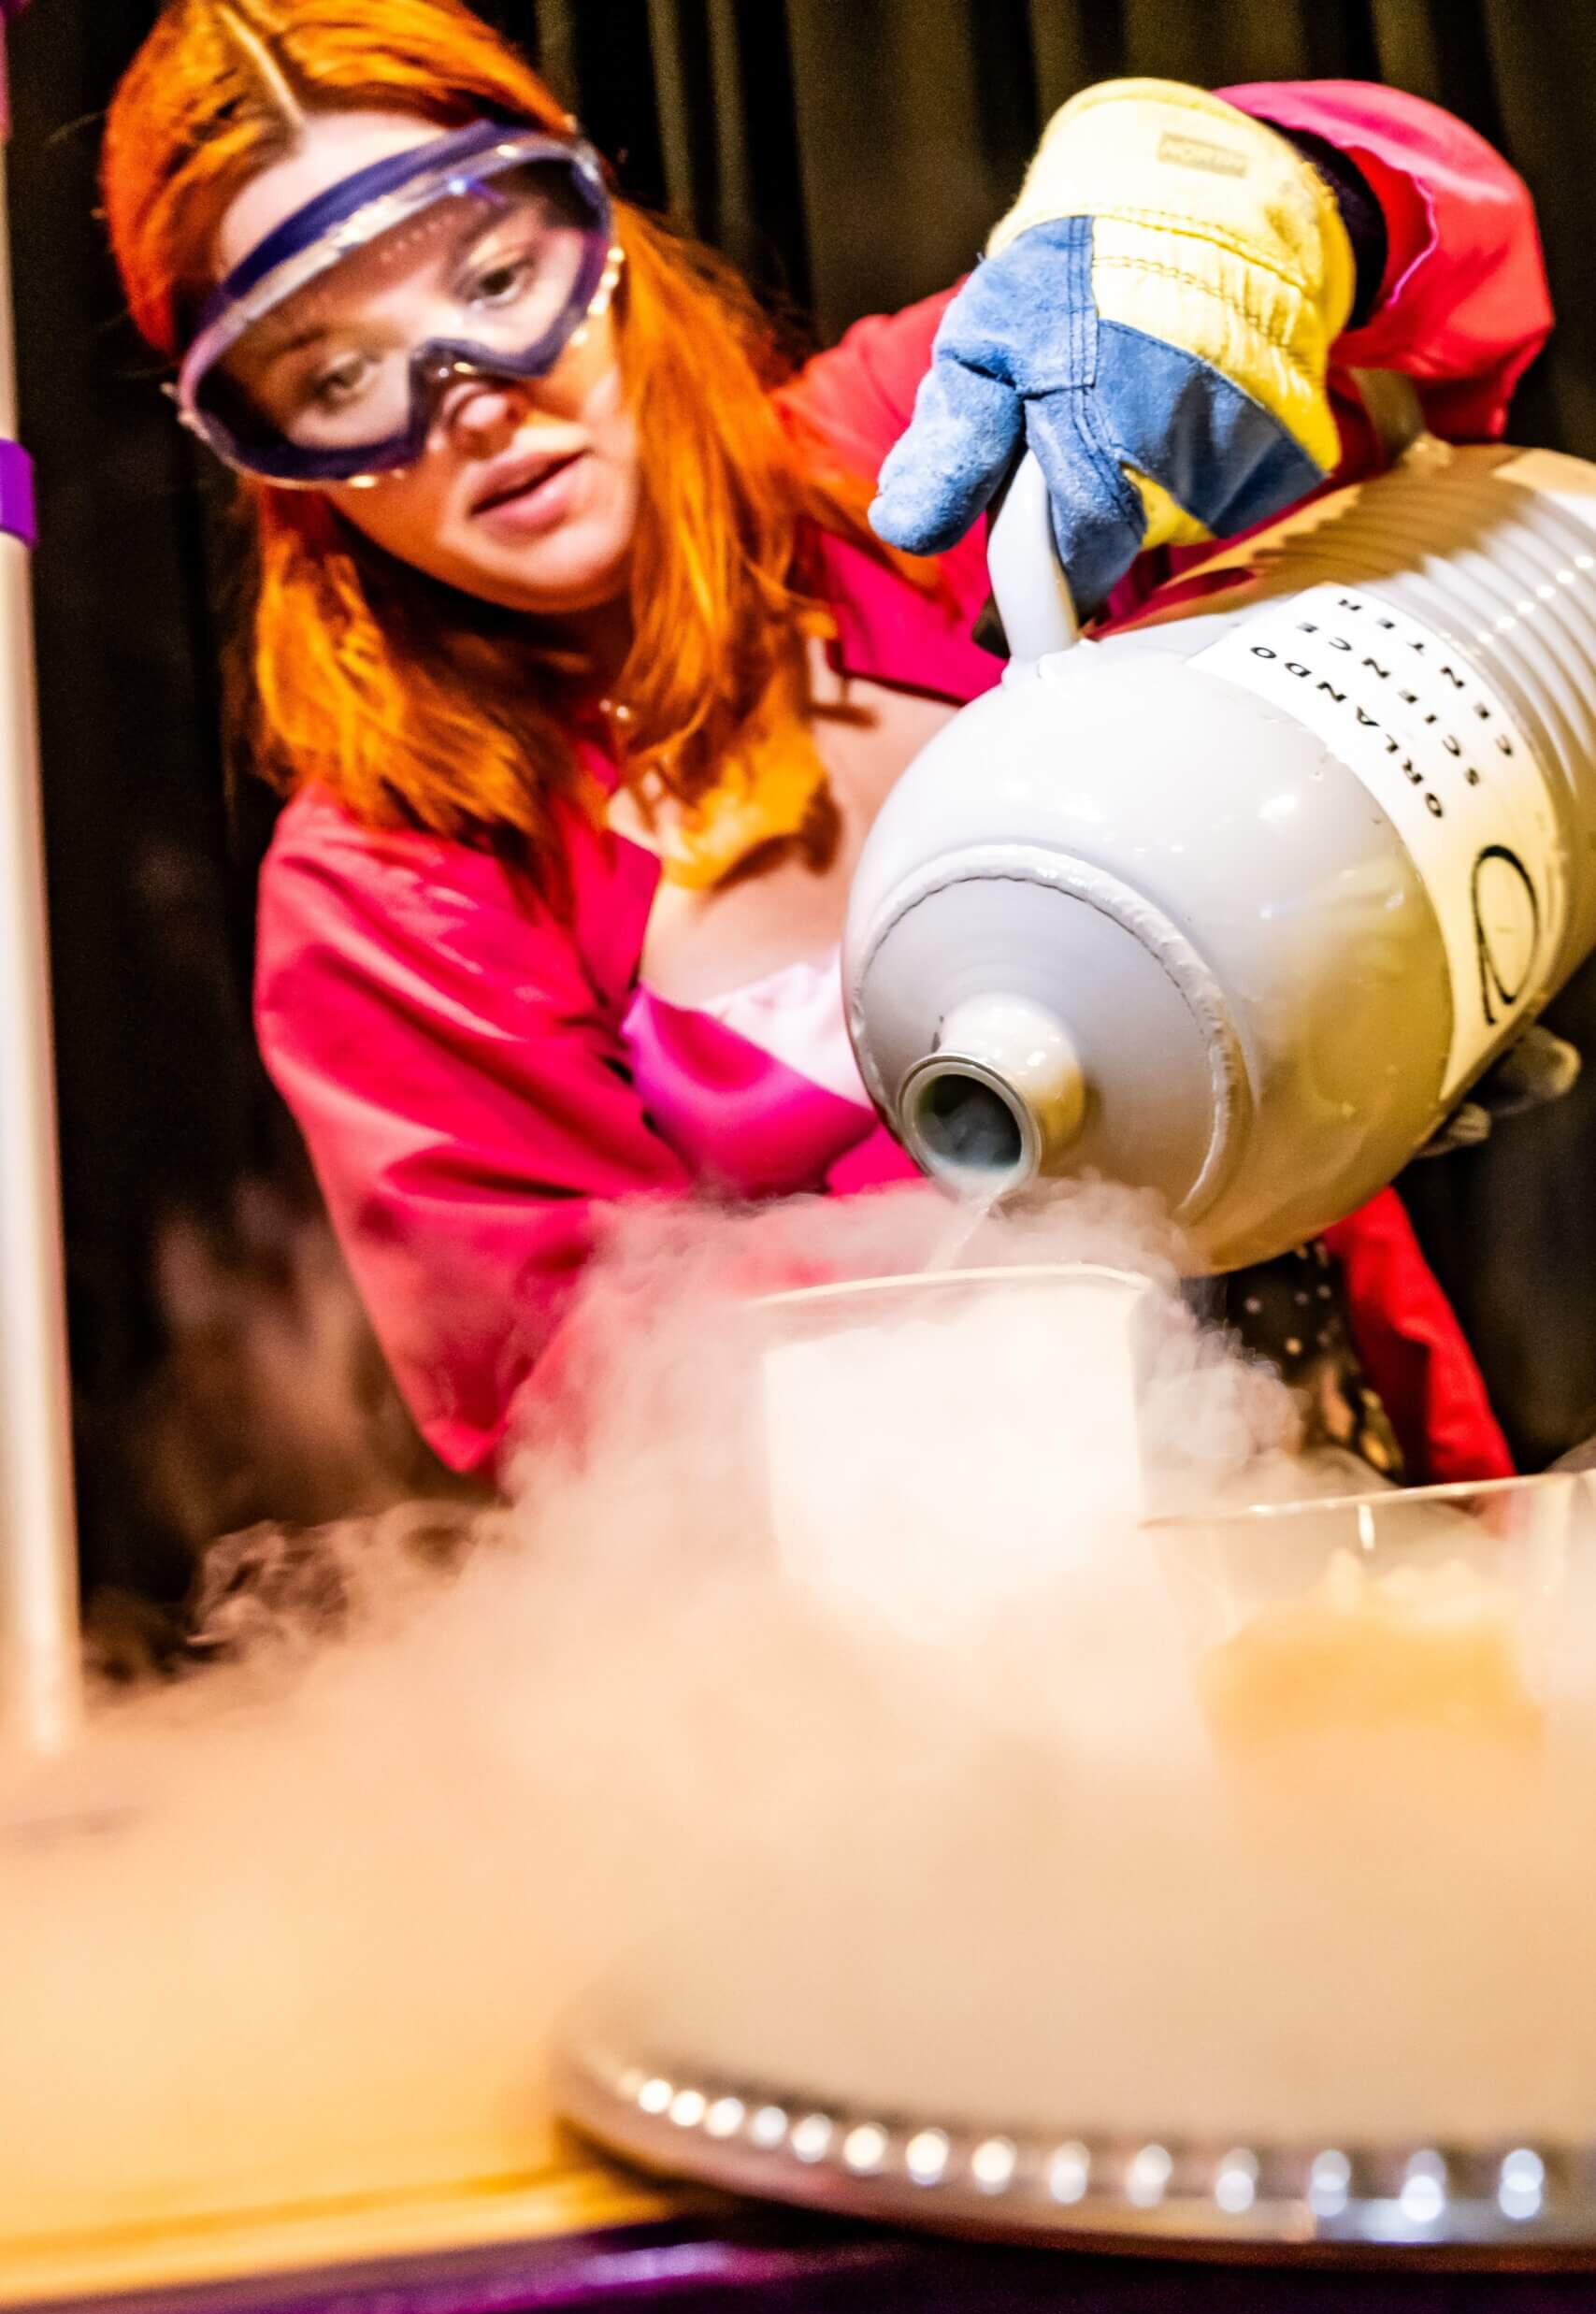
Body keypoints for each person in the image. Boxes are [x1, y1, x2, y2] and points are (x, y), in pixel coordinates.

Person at [102, 0, 1560, 1485]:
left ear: (598, 240)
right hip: (894, 1624)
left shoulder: (912, 457)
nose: (471, 398)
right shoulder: (390, 878)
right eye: (340, 377)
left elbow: (1455, 254)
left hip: (1350, 1459)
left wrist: (1271, 217)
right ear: (271, 457)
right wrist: (1079, 1191)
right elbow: (557, 1384)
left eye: (495, 274)